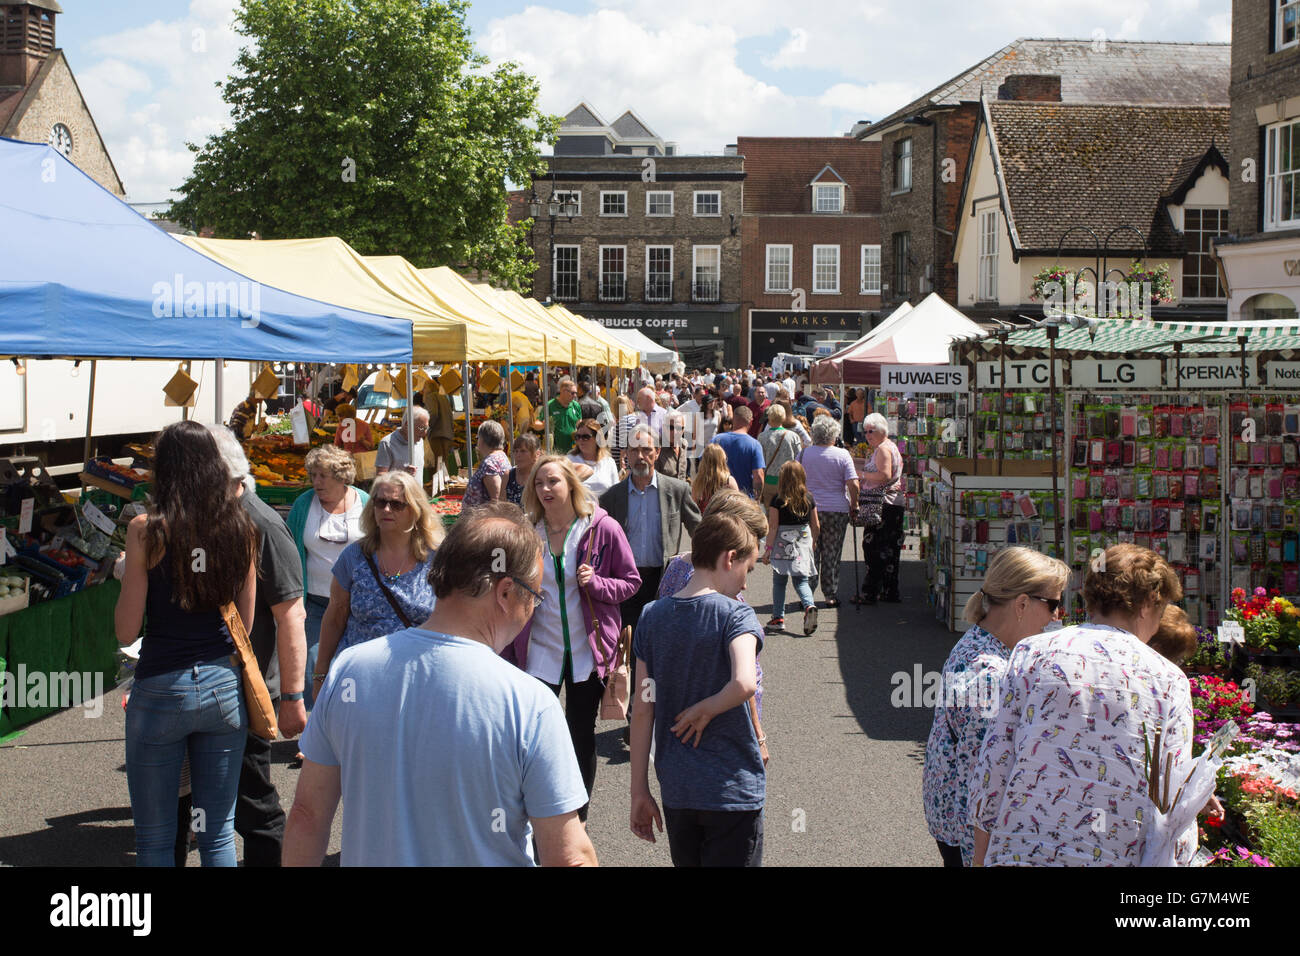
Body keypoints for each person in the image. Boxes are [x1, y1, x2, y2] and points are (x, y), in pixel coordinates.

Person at [285, 502, 597, 866]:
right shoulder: (530, 703)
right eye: (535, 596)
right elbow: (569, 855)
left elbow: (307, 816)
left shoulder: (350, 669)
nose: (533, 609)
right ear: (506, 592)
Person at [969, 544, 1212, 867]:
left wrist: (980, 857)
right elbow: (1172, 799)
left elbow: (995, 766)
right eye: (1161, 605)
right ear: (1147, 604)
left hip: (1022, 849)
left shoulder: (1033, 652)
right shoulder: (1168, 680)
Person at [115, 420, 257, 866]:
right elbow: (244, 628)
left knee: (156, 840)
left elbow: (125, 631)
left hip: (161, 684)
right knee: (216, 836)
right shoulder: (241, 528)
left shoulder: (146, 530)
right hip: (221, 685)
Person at [191, 425, 308, 866]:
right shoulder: (215, 518)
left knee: (254, 803)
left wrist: (294, 697)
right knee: (209, 797)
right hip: (210, 685)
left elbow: (291, 615)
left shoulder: (261, 524)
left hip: (246, 689)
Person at [502, 457, 640, 819]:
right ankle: (537, 811)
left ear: (571, 486)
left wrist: (596, 583)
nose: (545, 490)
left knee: (580, 733)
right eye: (538, 484)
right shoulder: (527, 532)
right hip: (538, 651)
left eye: (553, 482)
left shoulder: (602, 528)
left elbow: (631, 582)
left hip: (587, 652)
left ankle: (578, 816)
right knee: (535, 734)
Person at [630, 511, 766, 866]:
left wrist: (639, 790)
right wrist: (707, 708)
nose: (746, 584)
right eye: (747, 571)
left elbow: (643, 708)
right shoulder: (737, 616)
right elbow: (745, 682)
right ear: (729, 557)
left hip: (679, 788)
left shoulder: (650, 616)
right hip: (731, 788)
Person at [921, 547, 1069, 867]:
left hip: (952, 816)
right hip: (967, 834)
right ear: (1022, 604)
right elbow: (985, 783)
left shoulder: (986, 643)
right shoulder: (989, 676)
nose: (1059, 615)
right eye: (1054, 604)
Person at [312, 471, 442, 692]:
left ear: (415, 509)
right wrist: (320, 675)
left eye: (397, 504)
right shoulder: (354, 556)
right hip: (360, 681)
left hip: (418, 682)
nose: (386, 510)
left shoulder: (437, 559)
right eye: (380, 503)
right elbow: (335, 617)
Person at [599, 424, 703, 645]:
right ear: (625, 454)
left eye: (646, 450)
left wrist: (705, 566)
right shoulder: (611, 498)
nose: (640, 456)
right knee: (629, 646)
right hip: (625, 583)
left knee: (664, 646)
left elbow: (700, 531)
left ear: (657, 452)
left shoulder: (677, 490)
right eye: (634, 450)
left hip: (664, 581)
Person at [287, 445, 369, 711]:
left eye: (323, 475)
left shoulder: (365, 502)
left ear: (342, 476)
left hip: (358, 605)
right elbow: (291, 550)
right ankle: (314, 735)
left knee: (353, 669)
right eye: (313, 475)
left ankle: (347, 731)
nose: (316, 482)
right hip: (315, 604)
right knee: (313, 669)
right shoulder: (303, 504)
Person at [799, 415, 860, 608]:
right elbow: (853, 484)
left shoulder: (803, 455)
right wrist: (854, 504)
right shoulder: (842, 455)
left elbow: (796, 481)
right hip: (836, 509)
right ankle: (830, 594)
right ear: (834, 435)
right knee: (832, 552)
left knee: (810, 551)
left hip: (809, 508)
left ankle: (806, 595)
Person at [761, 461, 820, 636]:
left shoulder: (777, 500)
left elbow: (773, 526)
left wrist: (768, 549)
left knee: (779, 581)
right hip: (803, 540)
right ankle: (809, 605)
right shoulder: (809, 498)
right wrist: (814, 542)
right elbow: (816, 525)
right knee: (801, 580)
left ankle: (778, 618)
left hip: (782, 543)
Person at [856, 412, 905, 606]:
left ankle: (871, 592)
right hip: (892, 503)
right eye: (866, 431)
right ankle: (889, 591)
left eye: (871, 431)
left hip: (882, 504)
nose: (867, 435)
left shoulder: (883, 449)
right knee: (890, 549)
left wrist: (862, 474)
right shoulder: (888, 447)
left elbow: (883, 475)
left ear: (882, 431)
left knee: (874, 548)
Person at [711, 406, 765, 499]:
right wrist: (757, 500)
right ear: (751, 422)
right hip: (744, 500)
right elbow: (758, 476)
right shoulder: (754, 444)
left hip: (719, 498)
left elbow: (704, 466)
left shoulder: (717, 439)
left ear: (733, 420)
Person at [757, 405, 802, 506]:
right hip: (789, 480)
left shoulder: (762, 437)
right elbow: (798, 460)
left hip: (769, 480)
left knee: (769, 512)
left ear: (769, 418)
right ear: (784, 417)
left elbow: (760, 461)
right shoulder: (793, 437)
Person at [566, 417, 620, 499]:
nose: (580, 440)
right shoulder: (569, 460)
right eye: (577, 437)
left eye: (585, 437)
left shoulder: (609, 462)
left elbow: (616, 492)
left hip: (604, 509)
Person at [463, 419, 511, 508]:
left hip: (481, 518)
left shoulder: (489, 463)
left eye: (478, 437)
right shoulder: (502, 456)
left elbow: (496, 499)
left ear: (482, 439)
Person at [374, 407, 429, 480]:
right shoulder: (387, 443)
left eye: (426, 428)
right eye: (421, 428)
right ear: (407, 425)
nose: (424, 433)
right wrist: (402, 475)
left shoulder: (420, 441)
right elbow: (380, 477)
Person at [691, 444, 739, 513]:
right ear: (722, 460)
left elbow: (693, 507)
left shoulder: (698, 482)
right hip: (724, 521)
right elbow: (737, 505)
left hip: (705, 521)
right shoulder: (729, 481)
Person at [548, 377, 583, 454]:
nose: (575, 396)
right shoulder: (550, 405)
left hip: (574, 450)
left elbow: (579, 423)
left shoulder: (576, 405)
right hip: (556, 452)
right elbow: (538, 423)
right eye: (572, 393)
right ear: (563, 391)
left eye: (576, 393)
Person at [505, 433, 540, 506]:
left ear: (537, 454)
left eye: (523, 451)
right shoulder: (508, 475)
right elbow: (502, 506)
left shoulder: (541, 475)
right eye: (515, 451)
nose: (518, 455)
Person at [656, 410, 688, 481]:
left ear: (683, 430)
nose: (675, 432)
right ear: (664, 428)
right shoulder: (656, 447)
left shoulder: (684, 444)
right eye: (671, 427)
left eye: (679, 428)